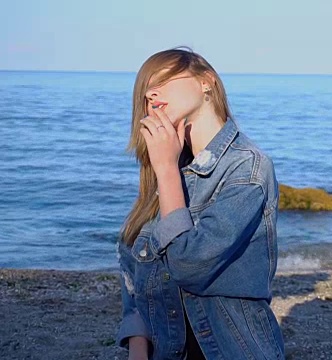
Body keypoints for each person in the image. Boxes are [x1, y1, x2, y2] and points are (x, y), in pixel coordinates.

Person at [115, 47, 284, 360]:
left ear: (207, 82)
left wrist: (165, 170)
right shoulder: (168, 168)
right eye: (146, 88)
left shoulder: (248, 168)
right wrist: (136, 353)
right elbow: (134, 282)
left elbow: (189, 264)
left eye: (163, 79)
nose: (151, 92)